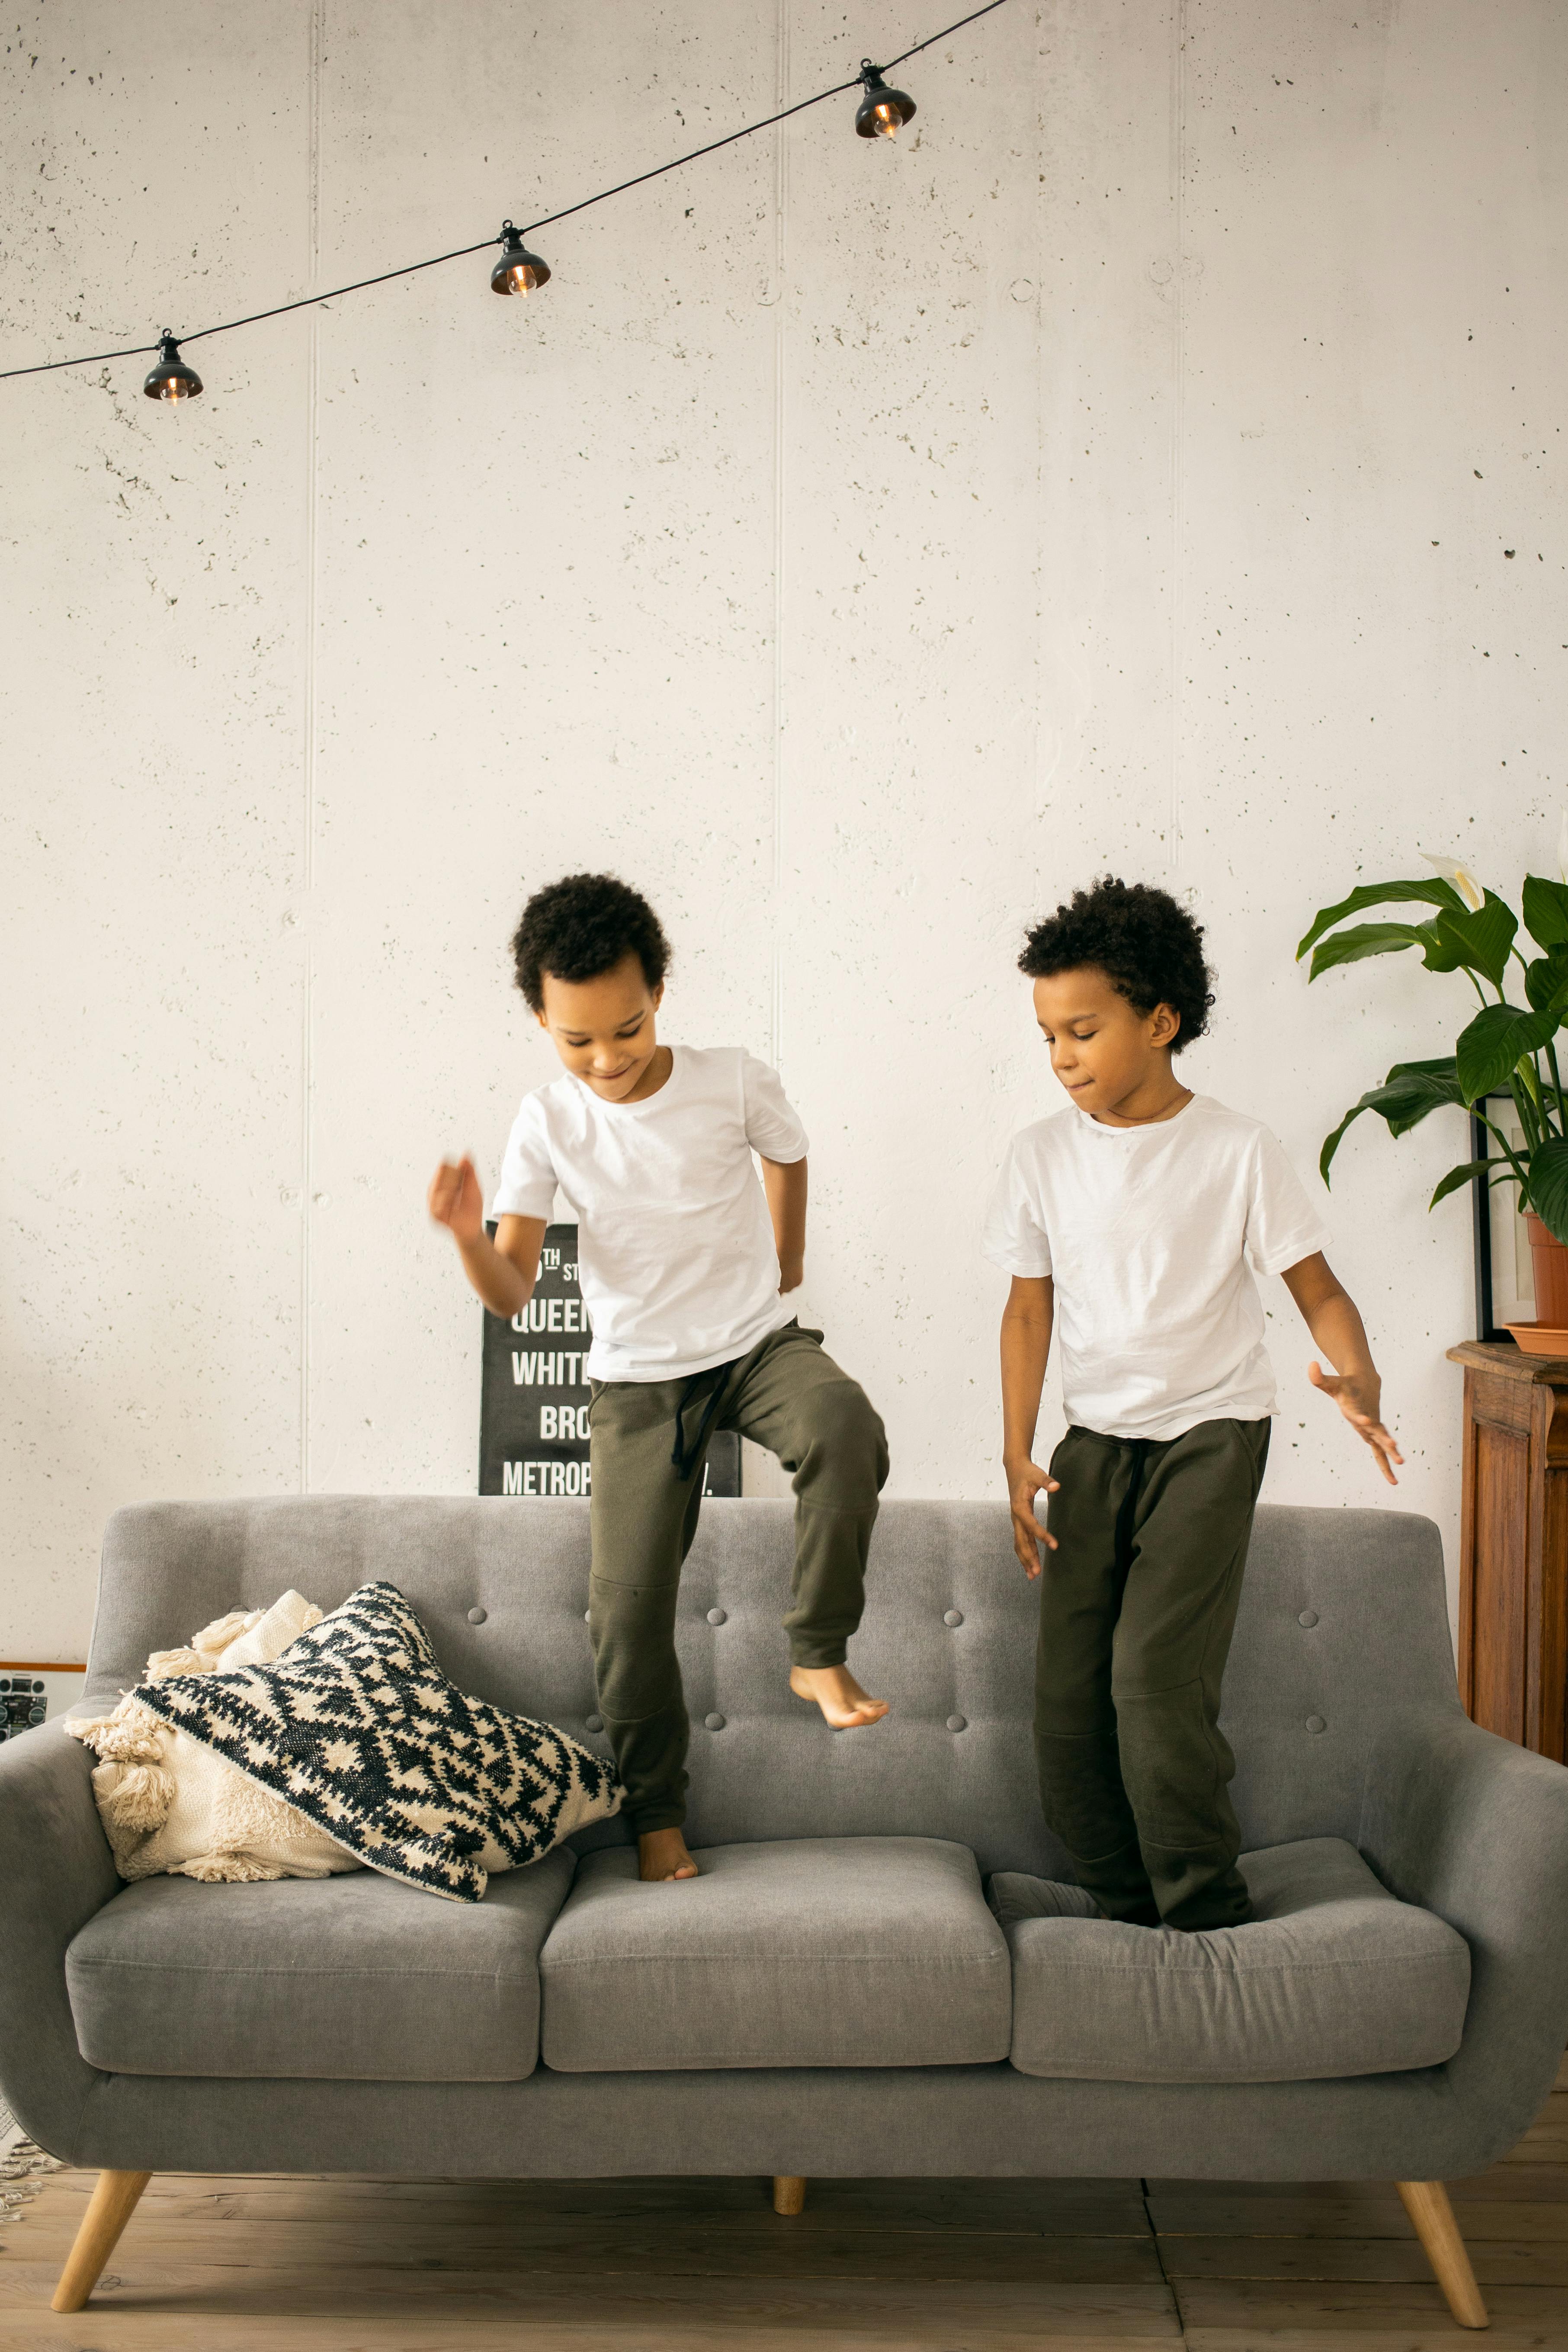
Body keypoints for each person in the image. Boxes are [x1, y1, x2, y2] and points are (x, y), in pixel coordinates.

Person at [428, 873, 889, 1884]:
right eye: (577, 1039)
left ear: (661, 991)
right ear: (541, 1020)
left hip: (754, 1348)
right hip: (640, 1384)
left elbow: (789, 1151)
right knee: (627, 1616)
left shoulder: (731, 1080)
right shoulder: (548, 1119)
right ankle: (657, 1821)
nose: (606, 1060)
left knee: (845, 1426)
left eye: (627, 1030)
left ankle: (816, 1646)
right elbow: (509, 1293)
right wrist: (468, 1235)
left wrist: (789, 1260)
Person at [984, 876, 1401, 1932]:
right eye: (1047, 1036)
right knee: (1067, 1710)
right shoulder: (1039, 1156)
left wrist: (1356, 1374)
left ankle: (1206, 1916)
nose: (1062, 1056)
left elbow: (1318, 1289)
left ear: (1160, 1021)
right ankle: (1127, 1916)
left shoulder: (1236, 1149)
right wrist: (1014, 1449)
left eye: (1083, 1029)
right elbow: (1026, 1313)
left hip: (1210, 1437)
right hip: (1091, 1447)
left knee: (1152, 1684)